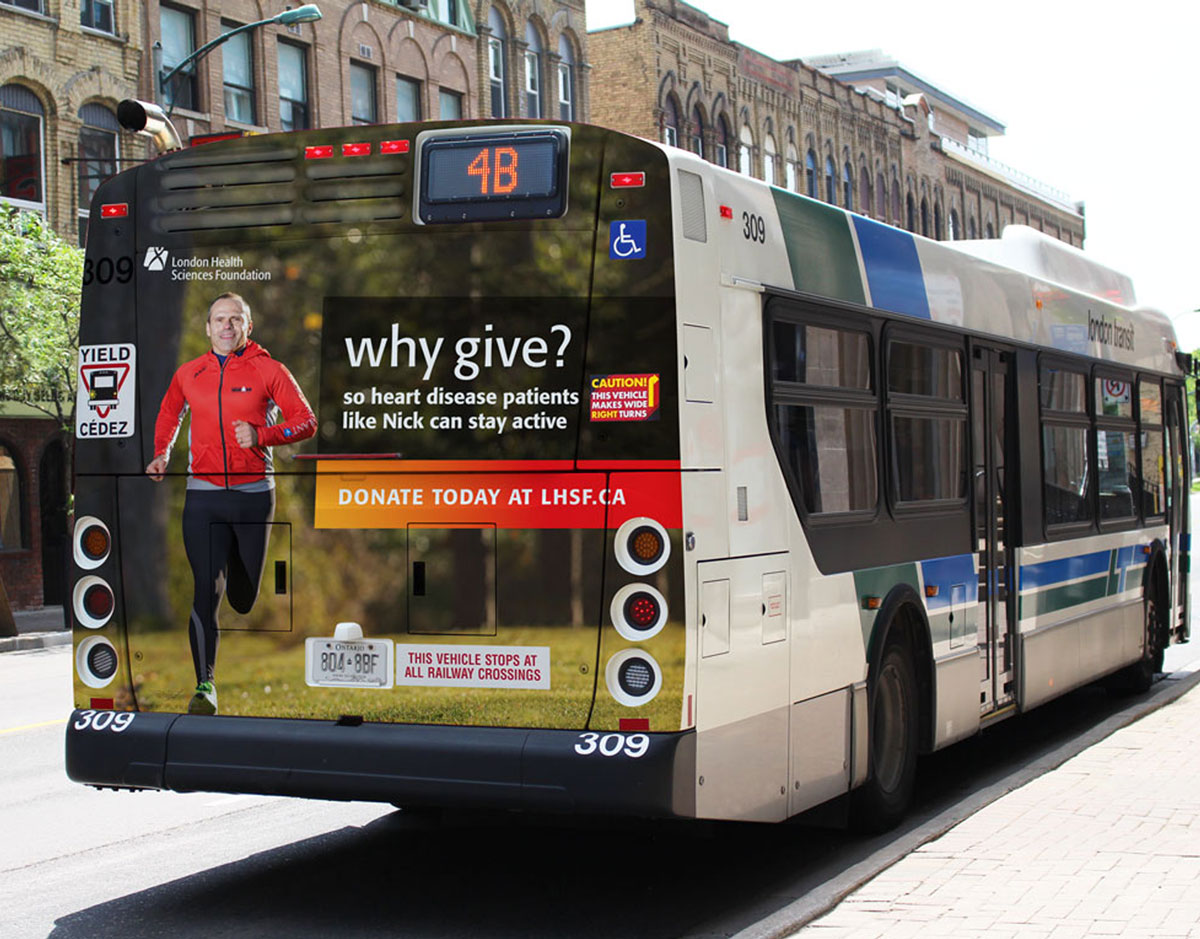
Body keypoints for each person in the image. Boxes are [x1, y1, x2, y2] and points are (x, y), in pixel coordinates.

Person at [146, 292, 316, 715]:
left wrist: (261, 436)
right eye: (219, 319)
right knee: (208, 588)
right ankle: (205, 685)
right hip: (202, 496)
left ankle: (243, 592)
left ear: (247, 327)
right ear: (207, 328)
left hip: (253, 496)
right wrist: (161, 451)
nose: (226, 326)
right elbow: (170, 413)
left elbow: (306, 420)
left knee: (242, 596)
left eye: (234, 320)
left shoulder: (269, 370)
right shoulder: (189, 373)